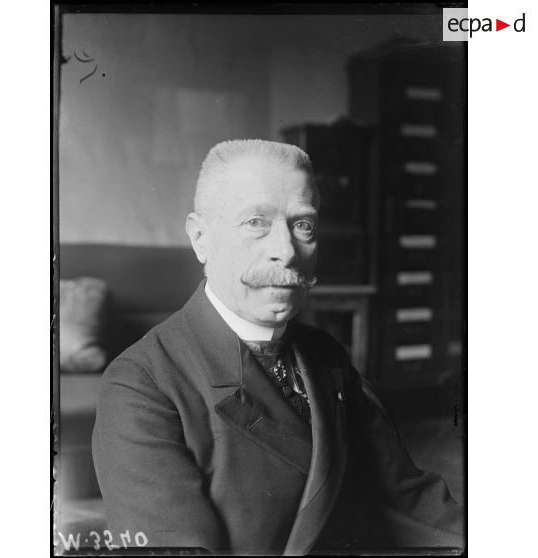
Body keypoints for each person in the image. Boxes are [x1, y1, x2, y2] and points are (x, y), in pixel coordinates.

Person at [92, 139, 464, 554]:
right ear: (200, 238)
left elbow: (409, 501)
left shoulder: (327, 355)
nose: (286, 251)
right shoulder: (141, 384)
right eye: (256, 222)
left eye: (303, 225)